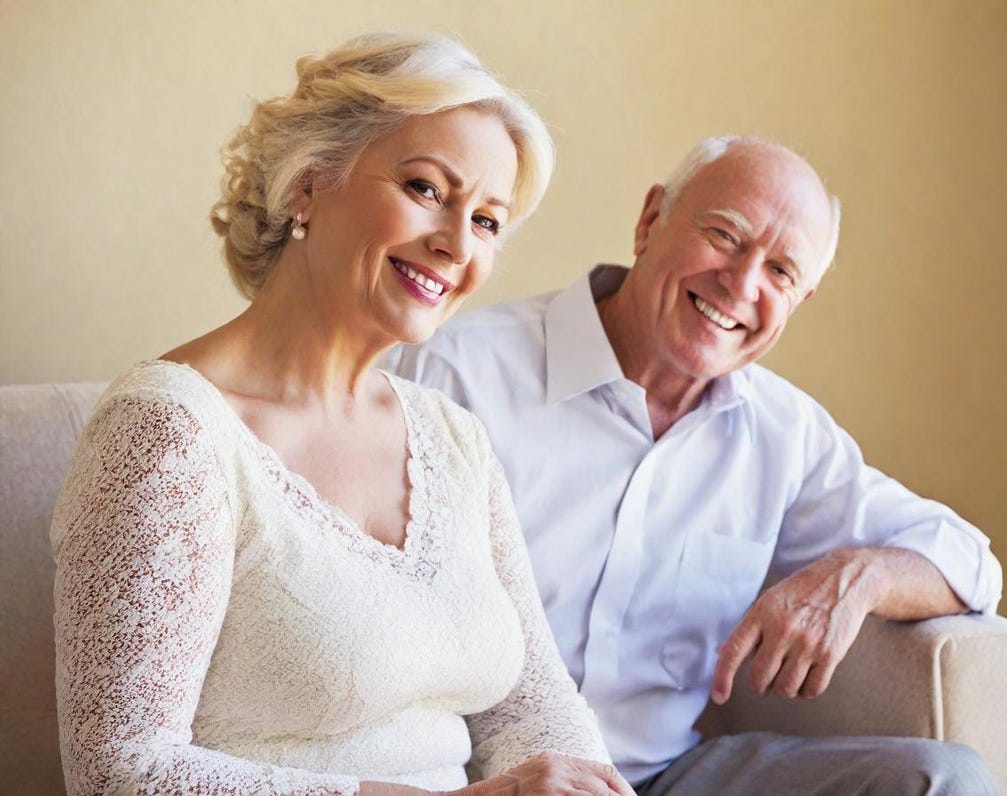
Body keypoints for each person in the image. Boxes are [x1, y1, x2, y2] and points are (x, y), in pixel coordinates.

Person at [50, 32, 635, 796]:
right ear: (307, 185)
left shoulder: (450, 436)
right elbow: (122, 772)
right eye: (426, 188)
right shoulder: (168, 432)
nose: (456, 243)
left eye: (487, 221)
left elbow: (530, 701)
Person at [393, 135, 1003, 794]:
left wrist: (857, 575)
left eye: (780, 271)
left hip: (663, 779)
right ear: (650, 220)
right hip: (480, 779)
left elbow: (969, 560)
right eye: (724, 237)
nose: (741, 285)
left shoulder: (784, 434)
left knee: (943, 779)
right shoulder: (453, 374)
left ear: (800, 299)